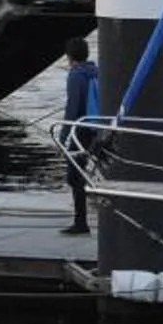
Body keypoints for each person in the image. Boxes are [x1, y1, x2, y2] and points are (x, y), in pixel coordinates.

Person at [61, 36, 101, 235]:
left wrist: (63, 134)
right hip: (98, 129)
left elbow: (72, 107)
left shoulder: (76, 75)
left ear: (69, 56)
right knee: (99, 170)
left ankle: (81, 222)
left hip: (81, 130)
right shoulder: (96, 71)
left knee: (74, 176)